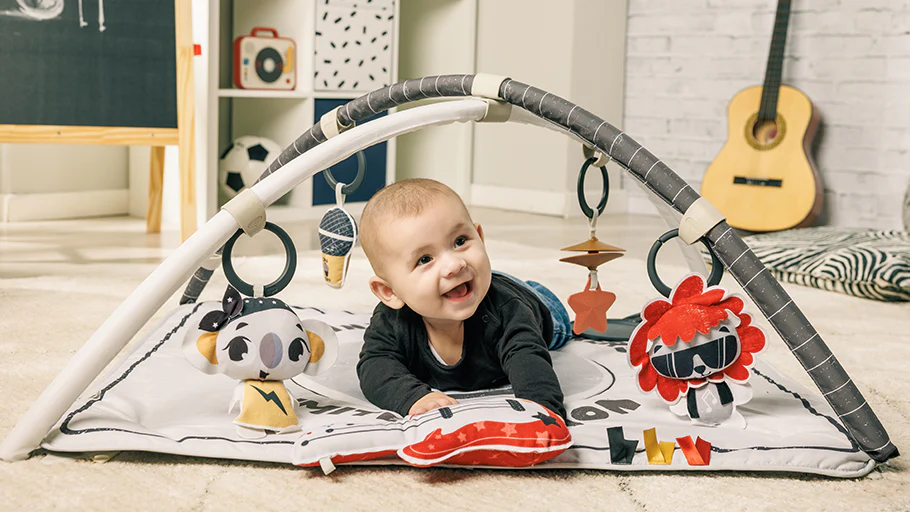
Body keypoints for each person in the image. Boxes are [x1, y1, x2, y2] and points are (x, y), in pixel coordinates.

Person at [356, 178, 570, 420]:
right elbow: (374, 367)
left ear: (479, 237)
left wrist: (543, 412)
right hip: (472, 285)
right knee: (481, 279)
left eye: (460, 242)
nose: (454, 264)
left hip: (529, 300)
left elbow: (529, 360)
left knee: (557, 327)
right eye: (425, 259)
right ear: (390, 292)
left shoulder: (507, 312)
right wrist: (414, 398)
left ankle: (527, 290)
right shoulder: (391, 322)